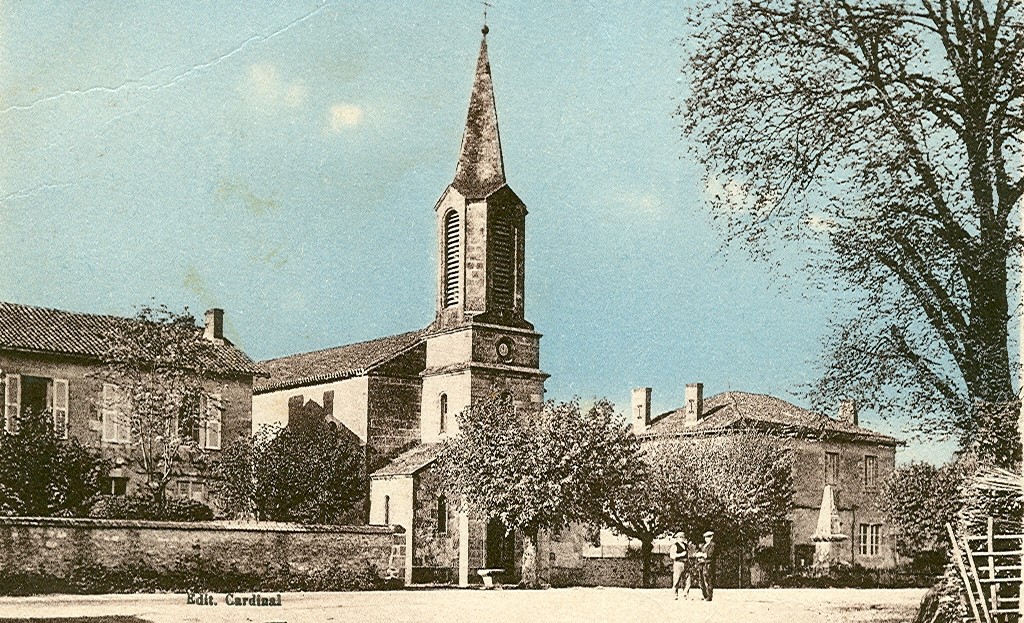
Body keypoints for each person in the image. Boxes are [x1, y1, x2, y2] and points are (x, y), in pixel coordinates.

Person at [669, 532, 692, 600]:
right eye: (680, 537)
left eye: (683, 537)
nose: (682, 538)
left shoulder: (685, 545)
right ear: (677, 538)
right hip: (678, 563)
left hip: (686, 563)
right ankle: (675, 594)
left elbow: (688, 555)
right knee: (676, 579)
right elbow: (672, 556)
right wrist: (681, 554)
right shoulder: (674, 546)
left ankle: (686, 594)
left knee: (688, 579)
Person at [694, 530, 716, 601]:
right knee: (701, 581)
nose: (706, 539)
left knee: (708, 580)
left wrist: (701, 555)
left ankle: (709, 596)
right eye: (706, 537)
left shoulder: (712, 545)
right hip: (701, 564)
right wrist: (700, 555)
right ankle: (705, 595)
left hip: (708, 564)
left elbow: (708, 555)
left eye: (708, 537)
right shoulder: (704, 545)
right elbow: (697, 554)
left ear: (711, 537)